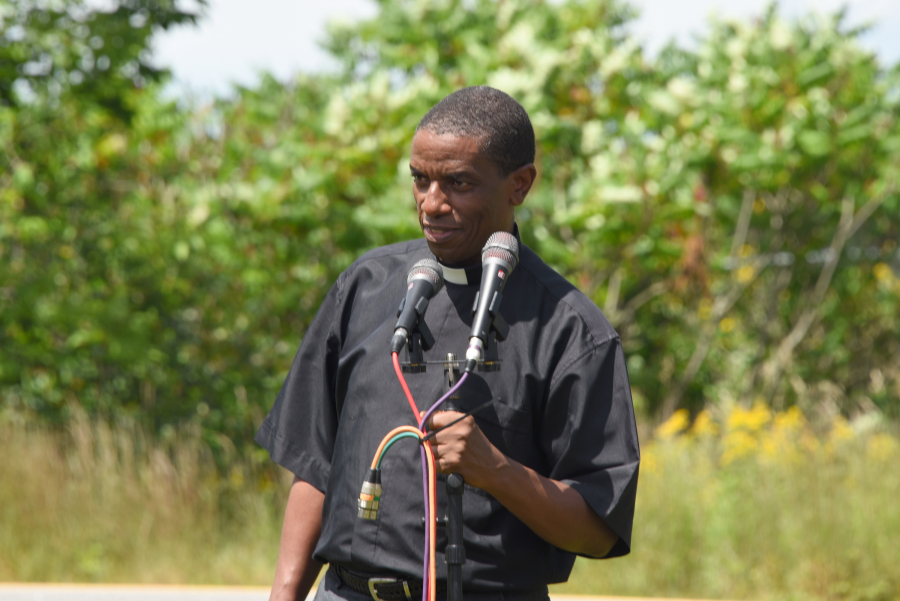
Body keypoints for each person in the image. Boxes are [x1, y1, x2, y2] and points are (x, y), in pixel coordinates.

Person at [256, 86, 640, 601]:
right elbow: (315, 468)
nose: (432, 204)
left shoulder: (572, 330)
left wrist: (496, 471)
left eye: (458, 183)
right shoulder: (365, 287)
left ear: (519, 185)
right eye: (421, 179)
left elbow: (598, 526)